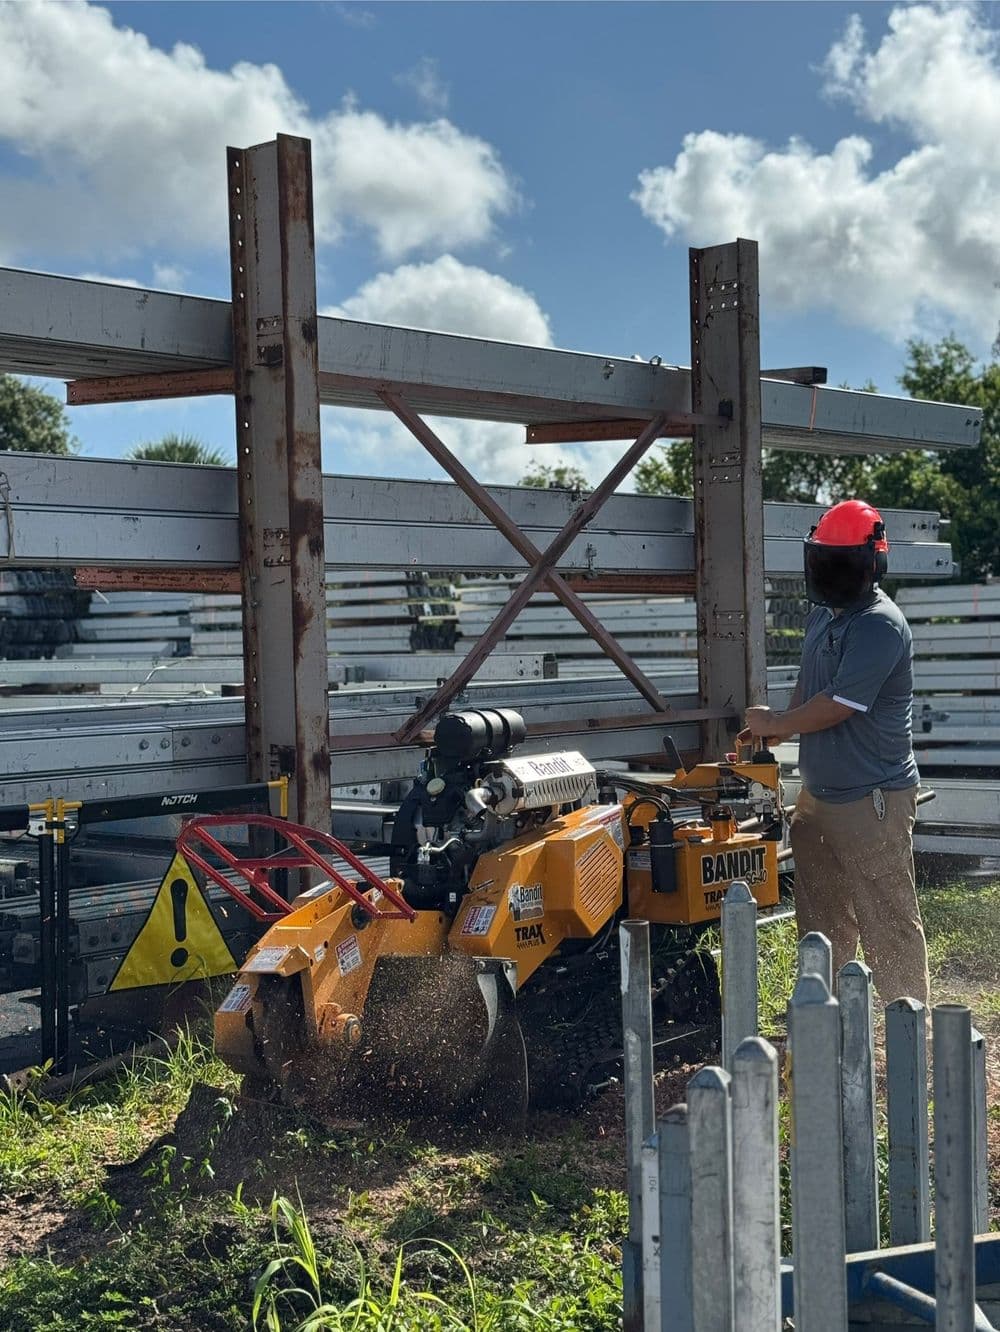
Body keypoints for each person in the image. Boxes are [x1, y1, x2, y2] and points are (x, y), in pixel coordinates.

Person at [739, 498, 929, 1005]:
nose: (830, 574)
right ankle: (832, 1026)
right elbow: (812, 681)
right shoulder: (825, 616)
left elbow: (839, 703)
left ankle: (910, 1033)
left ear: (870, 565)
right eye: (825, 562)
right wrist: (779, 729)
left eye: (840, 565)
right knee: (821, 921)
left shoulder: (878, 624)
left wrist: (780, 721)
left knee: (887, 921)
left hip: (872, 800)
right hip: (820, 797)